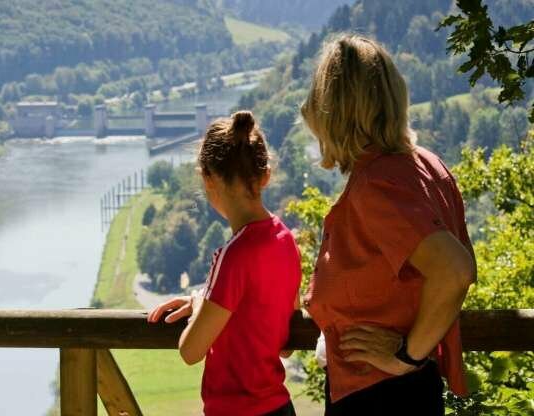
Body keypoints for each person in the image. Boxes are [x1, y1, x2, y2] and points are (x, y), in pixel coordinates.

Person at [300, 34, 475, 415]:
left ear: (335, 112)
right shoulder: (423, 165)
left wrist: (405, 356)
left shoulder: (377, 186)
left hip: (379, 395)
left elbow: (455, 270)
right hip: (403, 390)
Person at [148, 111, 302, 416]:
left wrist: (200, 303)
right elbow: (285, 344)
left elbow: (190, 351)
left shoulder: (233, 254)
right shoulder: (286, 241)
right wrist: (209, 303)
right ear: (266, 175)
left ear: (208, 178)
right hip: (280, 409)